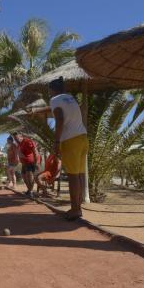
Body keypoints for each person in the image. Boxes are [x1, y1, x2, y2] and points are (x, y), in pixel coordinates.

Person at [49, 76, 88, 220]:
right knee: (78, 174)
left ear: (52, 90)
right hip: (82, 137)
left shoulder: (55, 100)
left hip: (71, 140)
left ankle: (75, 209)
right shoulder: (71, 98)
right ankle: (78, 207)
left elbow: (59, 120)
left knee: (72, 175)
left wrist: (56, 142)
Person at [13, 132, 39, 197]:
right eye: (15, 139)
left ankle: (31, 192)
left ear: (21, 136)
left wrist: (36, 163)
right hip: (24, 163)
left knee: (29, 176)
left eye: (17, 138)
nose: (16, 140)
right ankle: (29, 190)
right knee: (24, 176)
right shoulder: (19, 144)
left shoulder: (27, 141)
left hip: (30, 162)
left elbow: (35, 151)